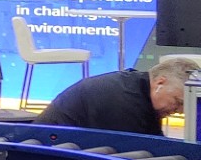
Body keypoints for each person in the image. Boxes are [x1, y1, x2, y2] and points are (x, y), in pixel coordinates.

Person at [35, 57, 197, 135]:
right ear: (160, 82)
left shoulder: (139, 88)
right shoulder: (124, 100)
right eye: (178, 102)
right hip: (49, 153)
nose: (180, 111)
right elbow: (134, 156)